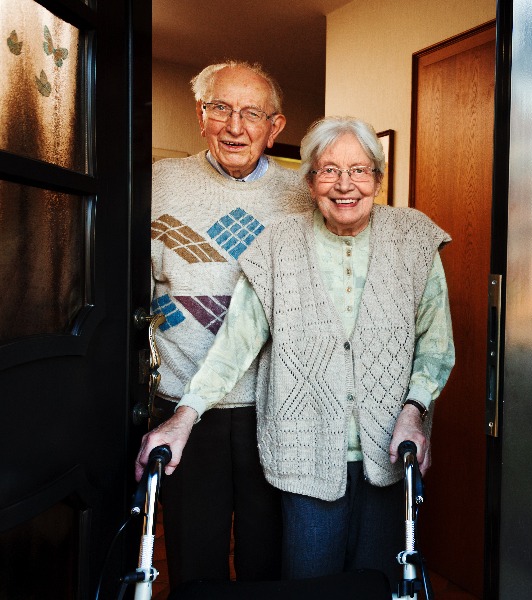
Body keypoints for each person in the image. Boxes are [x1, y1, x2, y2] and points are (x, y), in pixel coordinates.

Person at [137, 116, 455, 586]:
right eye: (328, 170)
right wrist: (183, 417)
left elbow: (436, 343)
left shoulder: (414, 238)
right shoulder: (276, 246)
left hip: (391, 452)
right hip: (305, 456)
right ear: (309, 181)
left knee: (381, 585)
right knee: (309, 584)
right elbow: (235, 344)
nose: (344, 185)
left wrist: (415, 410)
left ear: (378, 178)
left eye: (360, 170)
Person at [137, 60, 311, 589]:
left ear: (275, 127)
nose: (235, 127)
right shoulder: (155, 183)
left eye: (252, 113)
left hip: (273, 405)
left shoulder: (303, 195)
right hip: (185, 404)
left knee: (267, 560)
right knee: (195, 560)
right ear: (200, 115)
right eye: (221, 109)